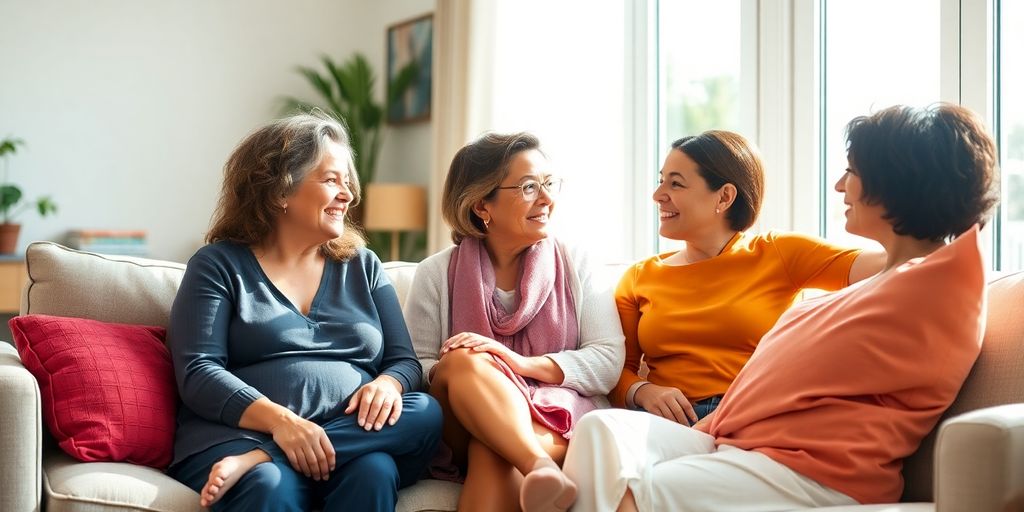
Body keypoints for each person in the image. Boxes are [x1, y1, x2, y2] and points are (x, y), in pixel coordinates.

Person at [558, 103, 998, 511]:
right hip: (732, 437)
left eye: (851, 171)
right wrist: (647, 393)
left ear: (896, 182)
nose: (839, 185)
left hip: (810, 466)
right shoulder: (891, 286)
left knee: (633, 487)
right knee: (601, 430)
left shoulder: (937, 283)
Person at [165, 112, 442, 512]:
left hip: (351, 444)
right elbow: (199, 372)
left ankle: (263, 459)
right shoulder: (218, 265)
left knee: (421, 417)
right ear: (280, 189)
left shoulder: (363, 266)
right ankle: (264, 460)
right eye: (331, 180)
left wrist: (389, 385)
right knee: (269, 487)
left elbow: (403, 362)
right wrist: (283, 424)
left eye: (347, 182)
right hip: (241, 437)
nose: (347, 195)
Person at [402, 132, 626, 512]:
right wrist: (486, 376)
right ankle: (536, 464)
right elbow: (416, 366)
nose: (546, 199)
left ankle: (533, 465)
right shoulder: (436, 273)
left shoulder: (578, 264)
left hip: (558, 413)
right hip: (461, 420)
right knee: (461, 359)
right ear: (480, 205)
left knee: (492, 450)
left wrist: (518, 365)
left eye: (548, 184)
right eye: (528, 187)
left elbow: (606, 360)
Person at [610, 130, 883, 424]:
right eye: (660, 180)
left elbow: (892, 263)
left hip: (749, 418)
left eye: (675, 183)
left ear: (725, 196)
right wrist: (643, 390)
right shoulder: (640, 276)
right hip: (666, 421)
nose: (657, 195)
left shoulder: (778, 253)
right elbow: (614, 371)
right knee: (601, 427)